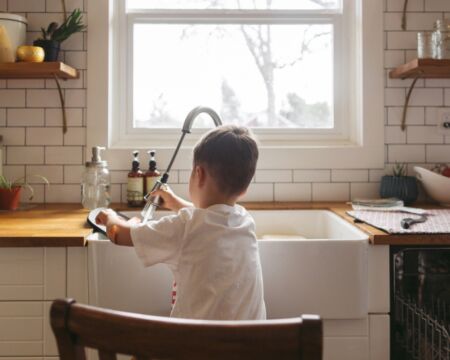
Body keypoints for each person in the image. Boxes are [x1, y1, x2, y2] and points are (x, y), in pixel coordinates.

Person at [95, 125, 266, 320]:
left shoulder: (184, 227)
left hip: (198, 346)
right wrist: (176, 203)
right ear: (244, 189)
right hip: (250, 344)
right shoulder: (245, 220)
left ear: (198, 174)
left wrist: (110, 217)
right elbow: (209, 218)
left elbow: (120, 234)